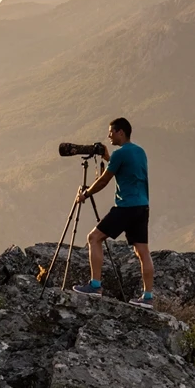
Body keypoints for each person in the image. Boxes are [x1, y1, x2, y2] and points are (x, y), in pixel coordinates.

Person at [71, 117, 154, 308]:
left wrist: (85, 194)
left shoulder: (120, 154)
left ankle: (95, 286)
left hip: (125, 206)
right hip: (142, 206)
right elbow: (124, 171)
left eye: (111, 131)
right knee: (143, 252)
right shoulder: (139, 152)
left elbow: (103, 181)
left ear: (120, 132)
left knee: (94, 238)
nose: (108, 135)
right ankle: (148, 297)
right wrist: (108, 158)